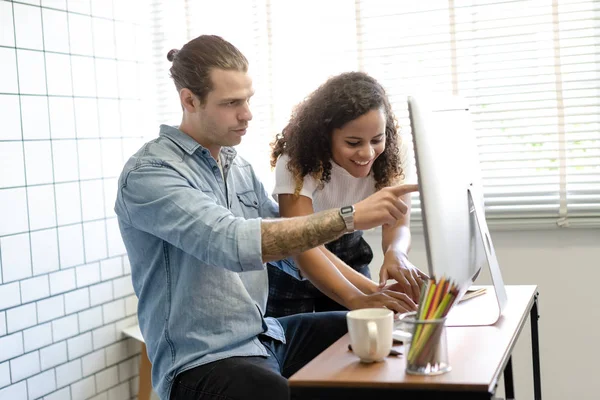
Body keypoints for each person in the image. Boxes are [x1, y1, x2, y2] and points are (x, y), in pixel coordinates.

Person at [114, 35, 418, 400]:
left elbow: (292, 242)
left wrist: (372, 295)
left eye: (247, 99)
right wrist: (349, 217)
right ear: (189, 101)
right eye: (231, 103)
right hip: (202, 361)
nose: (247, 114)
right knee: (268, 390)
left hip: (262, 335)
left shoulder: (236, 167)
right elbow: (230, 242)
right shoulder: (151, 174)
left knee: (376, 333)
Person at [267, 71, 428, 318]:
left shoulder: (395, 154)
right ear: (325, 136)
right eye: (353, 143)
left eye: (377, 139)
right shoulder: (296, 162)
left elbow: (397, 224)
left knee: (364, 336)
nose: (367, 153)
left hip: (350, 250)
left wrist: (396, 252)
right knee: (296, 348)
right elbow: (303, 244)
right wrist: (362, 295)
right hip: (293, 260)